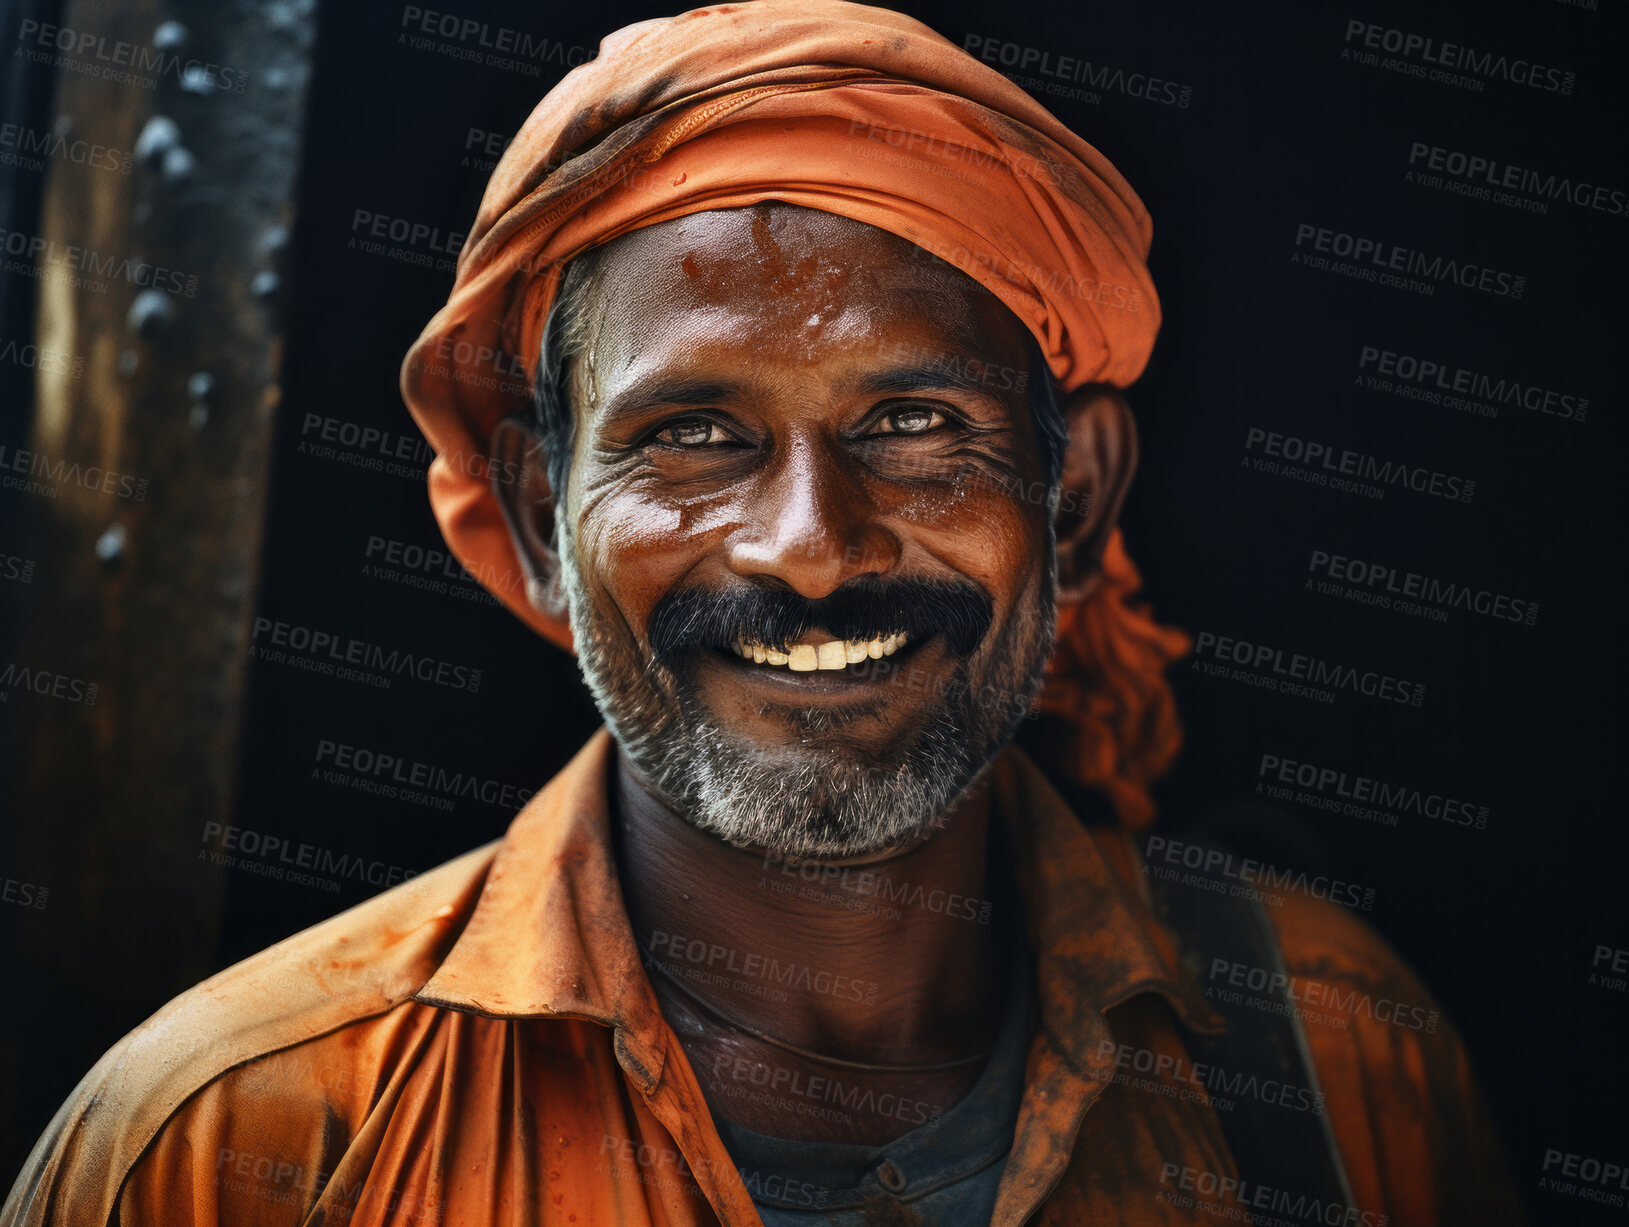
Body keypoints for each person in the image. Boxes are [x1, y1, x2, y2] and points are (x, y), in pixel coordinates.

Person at [3, 2, 1522, 1224]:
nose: (809, 550)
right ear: (540, 516)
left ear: (1071, 496)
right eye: (692, 434)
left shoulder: (1332, 1060)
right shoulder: (236, 1145)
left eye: (917, 423)